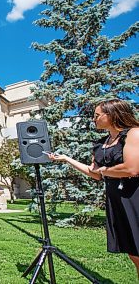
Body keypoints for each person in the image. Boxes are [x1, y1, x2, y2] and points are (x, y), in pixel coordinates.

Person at [48, 99, 139, 277]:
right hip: (117, 201)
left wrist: (105, 171)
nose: (93, 119)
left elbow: (132, 168)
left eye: (97, 115)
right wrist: (66, 158)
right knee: (133, 252)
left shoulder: (133, 134)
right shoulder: (101, 143)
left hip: (135, 197)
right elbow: (95, 173)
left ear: (112, 115)